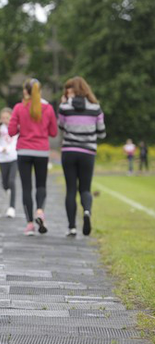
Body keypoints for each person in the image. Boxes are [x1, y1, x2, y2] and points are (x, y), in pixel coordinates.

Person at [8, 78, 58, 236]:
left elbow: (11, 131)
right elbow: (54, 132)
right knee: (41, 185)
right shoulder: (48, 108)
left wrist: (21, 126)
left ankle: (29, 224)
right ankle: (40, 211)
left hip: (24, 151)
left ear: (25, 91)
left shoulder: (19, 107)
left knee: (26, 188)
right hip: (41, 151)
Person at [58, 77, 106, 237]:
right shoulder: (95, 108)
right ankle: (86, 211)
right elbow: (102, 132)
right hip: (87, 153)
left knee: (71, 189)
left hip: (69, 151)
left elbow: (61, 126)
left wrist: (63, 103)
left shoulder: (65, 107)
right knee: (85, 188)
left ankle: (72, 227)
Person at [0, 107, 18, 218]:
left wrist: (10, 149)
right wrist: (2, 149)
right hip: (2, 159)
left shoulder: (16, 128)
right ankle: (7, 190)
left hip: (14, 158)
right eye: (3, 118)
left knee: (12, 181)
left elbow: (16, 141)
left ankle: (12, 208)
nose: (5, 120)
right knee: (5, 183)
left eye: (7, 117)